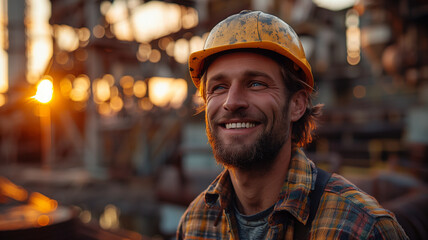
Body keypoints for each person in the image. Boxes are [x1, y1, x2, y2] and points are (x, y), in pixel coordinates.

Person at [177, 10, 409, 240]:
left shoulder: (361, 228)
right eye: (218, 87)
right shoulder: (194, 224)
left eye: (256, 84)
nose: (232, 102)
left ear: (297, 105)